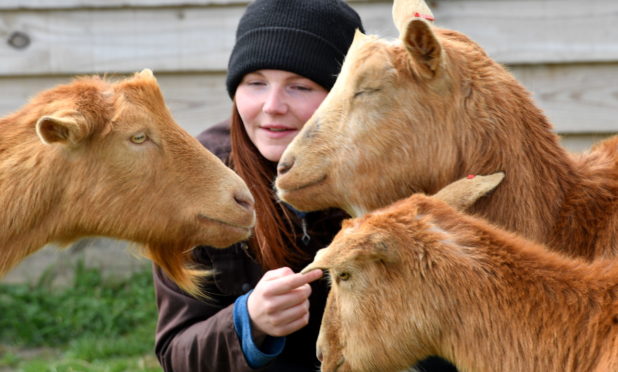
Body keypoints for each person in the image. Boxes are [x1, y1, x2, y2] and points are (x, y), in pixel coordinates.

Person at [153, 0, 457, 371]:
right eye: (255, 83)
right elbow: (176, 354)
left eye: (299, 87)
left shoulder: (402, 172)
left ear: (342, 99)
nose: (272, 106)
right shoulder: (192, 186)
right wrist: (247, 321)